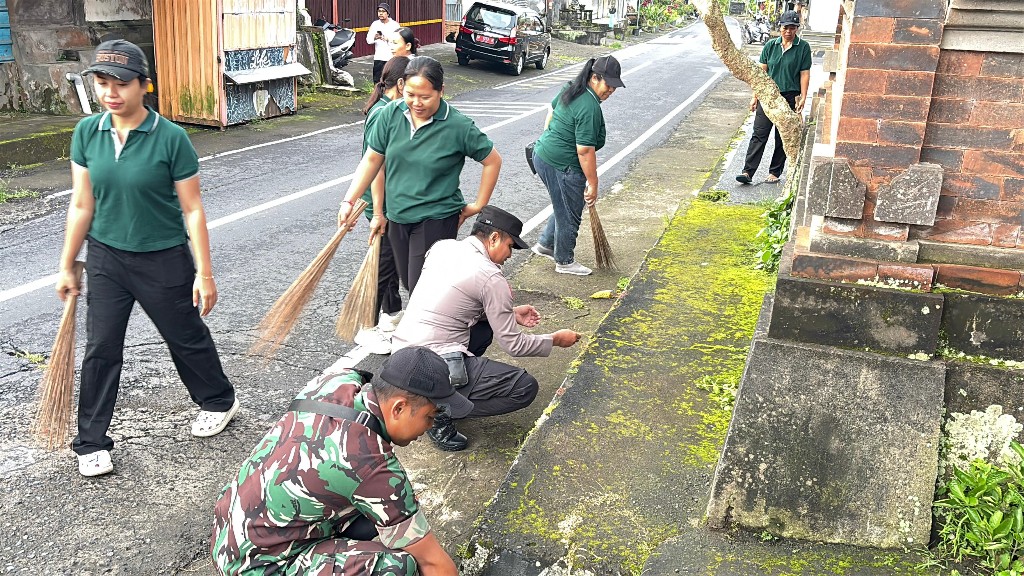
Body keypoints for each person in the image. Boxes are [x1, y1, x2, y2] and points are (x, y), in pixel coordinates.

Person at [56, 40, 238, 478]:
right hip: (106, 257)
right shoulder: (87, 133)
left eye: (121, 83)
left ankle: (218, 400)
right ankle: (91, 441)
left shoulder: (171, 138)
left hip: (163, 257)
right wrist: (67, 263)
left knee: (184, 336)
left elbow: (192, 209)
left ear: (144, 85)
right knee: (101, 348)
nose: (110, 92)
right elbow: (82, 203)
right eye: (102, 83)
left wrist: (205, 273)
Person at [210, 346, 461, 576]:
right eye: (430, 417)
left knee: (384, 517)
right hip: (259, 567)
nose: (430, 427)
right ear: (398, 408)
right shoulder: (372, 465)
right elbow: (433, 563)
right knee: (399, 566)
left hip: (231, 535)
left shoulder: (338, 380)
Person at [391, 206, 582, 451]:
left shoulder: (442, 248)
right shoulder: (490, 277)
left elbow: (454, 302)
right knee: (525, 387)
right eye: (510, 246)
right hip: (433, 362)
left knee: (483, 331)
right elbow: (514, 345)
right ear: (493, 238)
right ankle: (436, 411)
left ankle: (441, 393)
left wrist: (510, 313)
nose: (510, 255)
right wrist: (554, 339)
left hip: (402, 356)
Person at [337, 55, 502, 295]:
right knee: (409, 282)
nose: (416, 103)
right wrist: (349, 201)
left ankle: (452, 317)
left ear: (441, 91)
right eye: (410, 94)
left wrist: (478, 205)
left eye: (425, 97)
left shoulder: (458, 126)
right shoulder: (390, 114)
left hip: (436, 216)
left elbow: (492, 161)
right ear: (401, 86)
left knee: (421, 287)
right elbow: (372, 160)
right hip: (398, 214)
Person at [530, 55, 624, 277]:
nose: (611, 90)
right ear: (594, 78)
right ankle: (564, 261)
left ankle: (546, 244)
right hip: (564, 165)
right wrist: (593, 183)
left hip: (542, 156)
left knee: (562, 204)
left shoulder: (573, 87)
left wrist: (549, 139)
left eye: (615, 86)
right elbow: (584, 151)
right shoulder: (589, 106)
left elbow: (551, 111)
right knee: (569, 214)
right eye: (608, 84)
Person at [353, 56, 409, 355]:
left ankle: (392, 313)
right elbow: (376, 166)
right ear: (400, 84)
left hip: (388, 201)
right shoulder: (383, 113)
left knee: (391, 261)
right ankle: (367, 327)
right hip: (381, 202)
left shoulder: (389, 108)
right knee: (384, 263)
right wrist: (379, 211)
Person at [735, 9, 811, 185]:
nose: (788, 31)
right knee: (759, 134)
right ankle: (747, 172)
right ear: (780, 27)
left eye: (792, 28)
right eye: (785, 27)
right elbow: (761, 74)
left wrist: (803, 97)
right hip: (768, 95)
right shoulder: (770, 46)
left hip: (789, 97)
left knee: (782, 136)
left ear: (797, 28)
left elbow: (804, 74)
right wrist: (755, 96)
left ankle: (775, 172)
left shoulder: (803, 47)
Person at [367, 2, 401, 83]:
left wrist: (387, 39)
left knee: (390, 81)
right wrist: (375, 37)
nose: (380, 13)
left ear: (388, 13)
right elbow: (368, 40)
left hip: (391, 58)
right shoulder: (375, 24)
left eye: (383, 11)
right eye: (379, 11)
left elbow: (399, 41)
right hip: (379, 57)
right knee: (377, 82)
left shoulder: (395, 25)